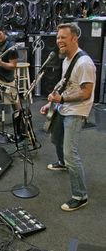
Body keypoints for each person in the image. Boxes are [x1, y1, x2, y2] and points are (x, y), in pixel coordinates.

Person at [40, 22, 96, 211]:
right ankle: (62, 163)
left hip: (77, 110)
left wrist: (61, 98)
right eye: (57, 38)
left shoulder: (84, 63)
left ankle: (80, 196)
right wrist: (51, 103)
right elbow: (64, 83)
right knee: (56, 138)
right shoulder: (66, 60)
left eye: (63, 37)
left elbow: (86, 93)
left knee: (70, 153)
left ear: (74, 38)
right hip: (64, 106)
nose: (58, 41)